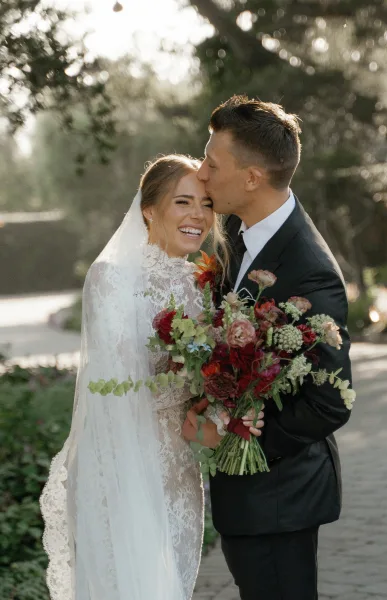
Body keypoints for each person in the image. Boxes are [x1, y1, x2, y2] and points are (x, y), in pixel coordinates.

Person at [40, 154, 265, 600]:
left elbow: (210, 372)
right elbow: (118, 381)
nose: (197, 216)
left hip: (179, 464)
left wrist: (225, 405)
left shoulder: (203, 281)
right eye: (182, 202)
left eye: (205, 204)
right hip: (121, 458)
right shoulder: (110, 278)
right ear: (149, 210)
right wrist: (182, 369)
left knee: (172, 581)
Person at [184, 96, 352, 600]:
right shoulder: (234, 231)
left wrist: (238, 439)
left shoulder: (311, 271)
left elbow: (330, 401)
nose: (202, 172)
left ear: (252, 178)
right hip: (248, 501)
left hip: (280, 498)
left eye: (213, 162)